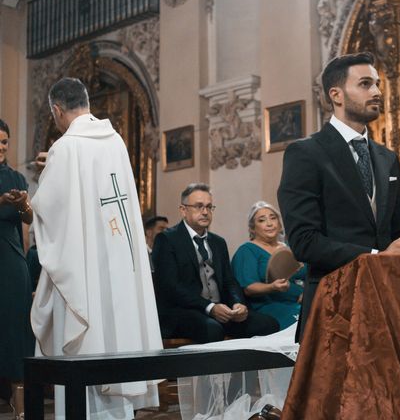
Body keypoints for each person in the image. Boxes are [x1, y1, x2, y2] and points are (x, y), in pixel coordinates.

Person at [30, 77, 162, 419]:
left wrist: (44, 178)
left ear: (57, 110)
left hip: (83, 269)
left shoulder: (65, 147)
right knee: (116, 341)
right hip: (119, 265)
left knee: (83, 350)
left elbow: (50, 211)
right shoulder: (115, 140)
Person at [277, 51, 400, 341]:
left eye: (378, 84)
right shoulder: (306, 153)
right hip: (332, 303)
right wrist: (376, 257)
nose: (377, 92)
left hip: (386, 304)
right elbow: (304, 242)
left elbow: (399, 232)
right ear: (336, 94)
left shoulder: (387, 159)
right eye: (365, 84)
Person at [152, 183, 279, 343]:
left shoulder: (218, 242)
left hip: (221, 311)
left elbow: (229, 281)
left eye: (209, 207)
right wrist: (210, 307)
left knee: (269, 324)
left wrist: (238, 304)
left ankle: (246, 367)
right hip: (183, 312)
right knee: (212, 329)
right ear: (183, 210)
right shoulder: (167, 240)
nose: (205, 212)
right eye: (198, 207)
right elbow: (170, 287)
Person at [0, 119, 34, 419]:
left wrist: (23, 203)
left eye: (4, 142)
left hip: (10, 261)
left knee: (15, 329)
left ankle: (19, 401)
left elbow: (28, 221)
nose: (1, 147)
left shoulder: (16, 177)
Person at [232, 201, 306, 330]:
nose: (269, 223)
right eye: (262, 220)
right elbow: (248, 288)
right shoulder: (247, 250)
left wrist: (308, 293)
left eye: (273, 218)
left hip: (299, 303)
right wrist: (272, 287)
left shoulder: (289, 249)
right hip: (269, 306)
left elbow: (309, 274)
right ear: (252, 228)